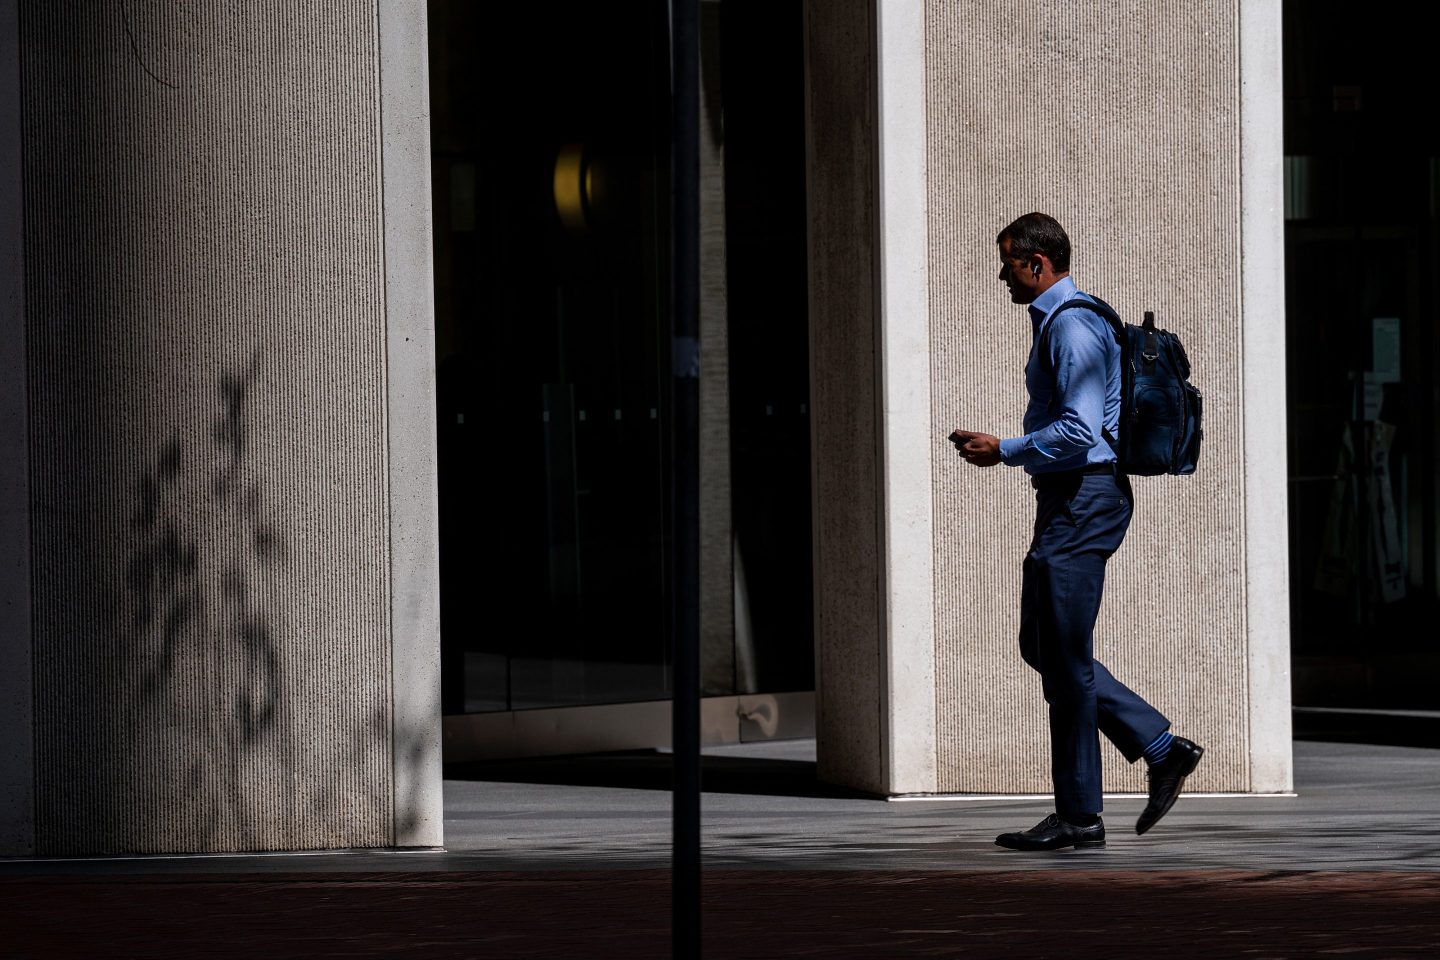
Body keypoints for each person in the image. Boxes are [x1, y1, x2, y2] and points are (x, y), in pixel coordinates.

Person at [949, 212, 1203, 851]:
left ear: (1037, 264)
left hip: (1084, 500)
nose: (1001, 275)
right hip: (1070, 500)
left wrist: (1001, 448)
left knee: (1061, 655)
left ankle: (1083, 814)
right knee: (1043, 644)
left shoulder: (1073, 328)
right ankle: (1157, 746)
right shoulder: (1062, 322)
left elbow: (1079, 432)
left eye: (1008, 263)